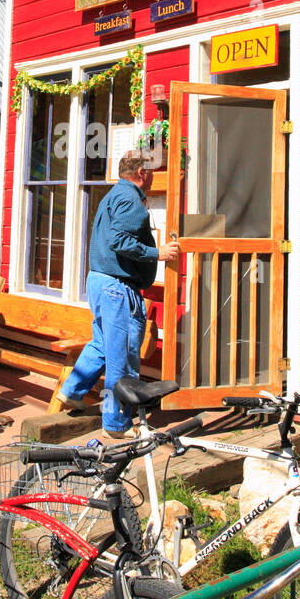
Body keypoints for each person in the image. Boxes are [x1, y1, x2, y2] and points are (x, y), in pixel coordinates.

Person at [57, 150, 181, 437]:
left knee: (101, 345)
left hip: (99, 282)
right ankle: (116, 423)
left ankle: (72, 391)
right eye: (151, 171)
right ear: (141, 173)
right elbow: (119, 240)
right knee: (121, 356)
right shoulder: (131, 199)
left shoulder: (113, 195)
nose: (153, 176)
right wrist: (158, 253)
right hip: (117, 288)